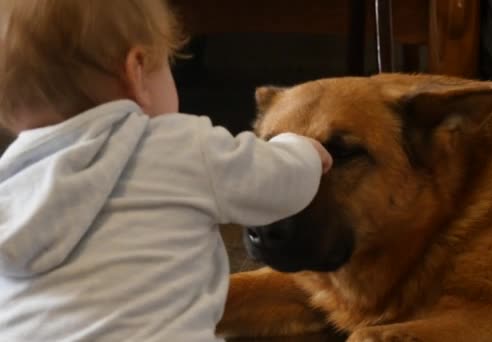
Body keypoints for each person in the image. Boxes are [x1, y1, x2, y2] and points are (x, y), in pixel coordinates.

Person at [0, 0, 332, 341]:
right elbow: (278, 182)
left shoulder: (9, 183)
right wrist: (301, 150)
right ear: (137, 72)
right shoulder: (180, 144)